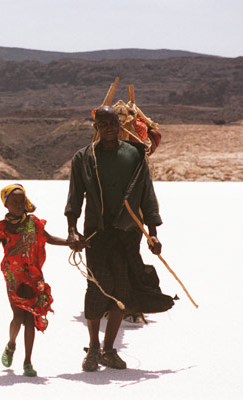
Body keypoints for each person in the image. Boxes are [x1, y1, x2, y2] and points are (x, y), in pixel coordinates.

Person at [65, 106, 175, 372]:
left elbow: (147, 194)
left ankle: (108, 350)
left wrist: (153, 232)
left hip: (128, 233)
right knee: (96, 290)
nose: (108, 127)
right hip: (96, 234)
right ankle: (92, 348)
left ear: (118, 124)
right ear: (96, 128)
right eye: (102, 123)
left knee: (121, 293)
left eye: (111, 122)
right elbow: (75, 197)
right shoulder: (83, 158)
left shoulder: (135, 154)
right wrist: (72, 229)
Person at [0, 183, 69, 377]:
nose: (19, 204)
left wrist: (70, 242)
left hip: (33, 276)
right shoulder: (1, 227)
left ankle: (27, 362)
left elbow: (49, 238)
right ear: (5, 204)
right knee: (18, 316)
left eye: (21, 201)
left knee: (32, 318)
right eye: (14, 201)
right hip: (13, 278)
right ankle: (11, 344)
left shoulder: (34, 223)